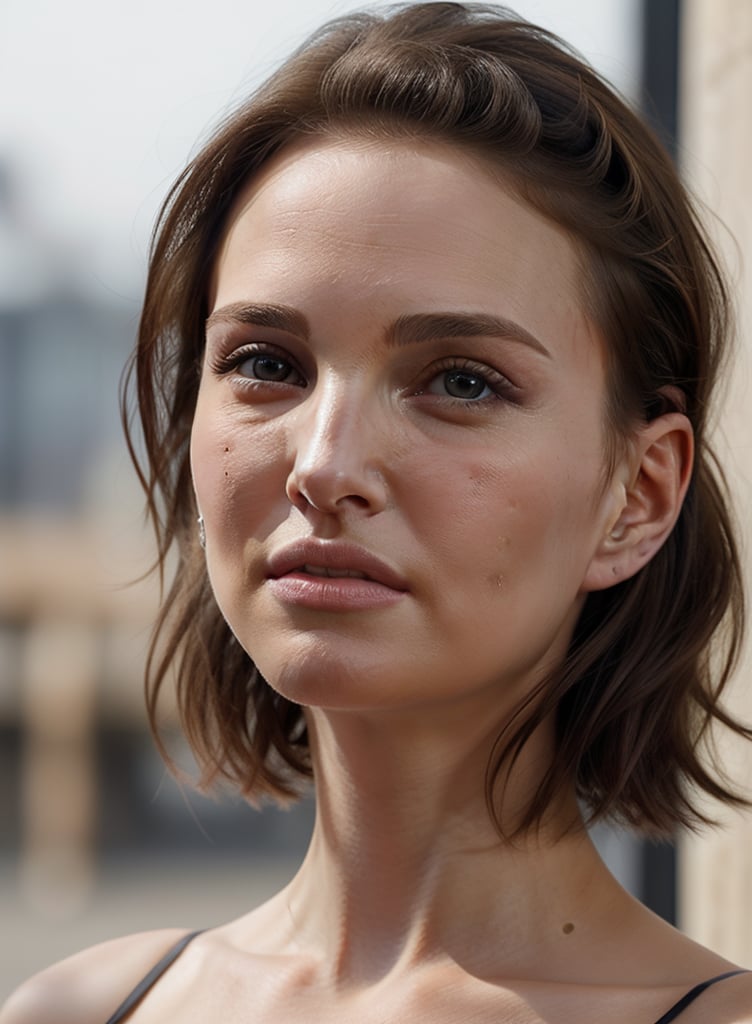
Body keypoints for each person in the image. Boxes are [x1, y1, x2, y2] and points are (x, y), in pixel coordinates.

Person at [3, 3, 751, 1021]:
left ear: (637, 493)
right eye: (266, 364)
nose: (322, 464)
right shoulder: (78, 1009)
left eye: (459, 381)